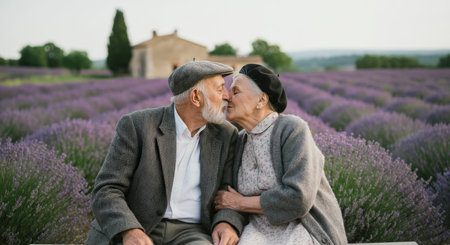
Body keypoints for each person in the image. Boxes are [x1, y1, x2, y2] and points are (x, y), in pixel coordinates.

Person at [86, 60, 246, 245]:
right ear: (196, 97)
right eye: (220, 89)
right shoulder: (138, 125)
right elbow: (106, 189)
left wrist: (226, 222)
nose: (227, 96)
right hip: (138, 225)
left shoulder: (226, 134)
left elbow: (227, 189)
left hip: (191, 233)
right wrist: (129, 229)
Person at [214, 64, 347, 245]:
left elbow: (298, 198)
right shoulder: (238, 140)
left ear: (261, 100)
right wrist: (226, 222)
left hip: (303, 227)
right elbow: (226, 198)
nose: (227, 98)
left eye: (235, 92)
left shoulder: (292, 129)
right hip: (257, 231)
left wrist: (241, 203)